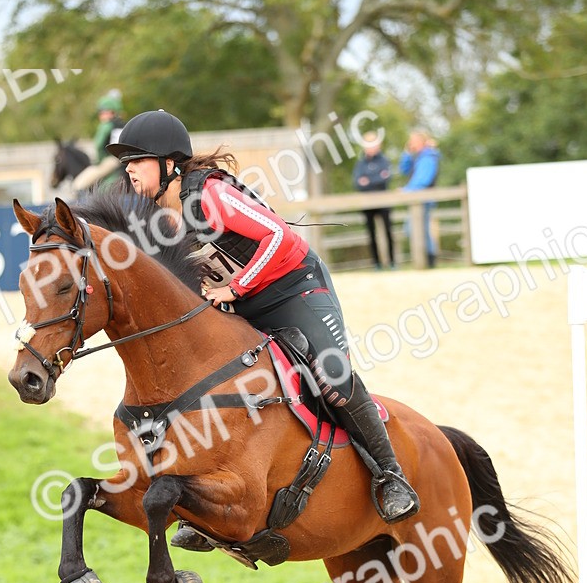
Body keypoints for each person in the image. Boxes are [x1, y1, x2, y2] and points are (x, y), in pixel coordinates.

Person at [107, 110, 420, 537]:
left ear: (169, 164)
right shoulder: (160, 214)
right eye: (126, 162)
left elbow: (279, 238)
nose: (128, 169)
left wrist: (235, 290)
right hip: (245, 303)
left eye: (137, 159)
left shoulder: (210, 195)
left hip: (295, 290)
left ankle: (390, 475)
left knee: (332, 373)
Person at [353, 131, 395, 270]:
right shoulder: (361, 163)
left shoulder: (384, 160)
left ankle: (392, 262)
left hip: (384, 202)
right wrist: (376, 179)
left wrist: (368, 180)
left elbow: (385, 177)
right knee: (371, 234)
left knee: (388, 232)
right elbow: (358, 182)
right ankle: (376, 263)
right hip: (367, 203)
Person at [399, 130, 440, 268]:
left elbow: (422, 181)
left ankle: (429, 258)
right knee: (419, 230)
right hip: (419, 200)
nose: (411, 144)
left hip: (424, 200)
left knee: (414, 229)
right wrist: (407, 153)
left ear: (422, 142)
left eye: (413, 141)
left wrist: (406, 190)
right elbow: (404, 170)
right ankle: (429, 259)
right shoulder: (419, 157)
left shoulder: (428, 157)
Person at [71, 90, 125, 193]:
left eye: (104, 112)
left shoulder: (106, 125)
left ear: (112, 112)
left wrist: (98, 161)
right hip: (125, 160)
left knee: (78, 185)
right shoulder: (124, 124)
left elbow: (99, 145)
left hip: (111, 159)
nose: (101, 115)